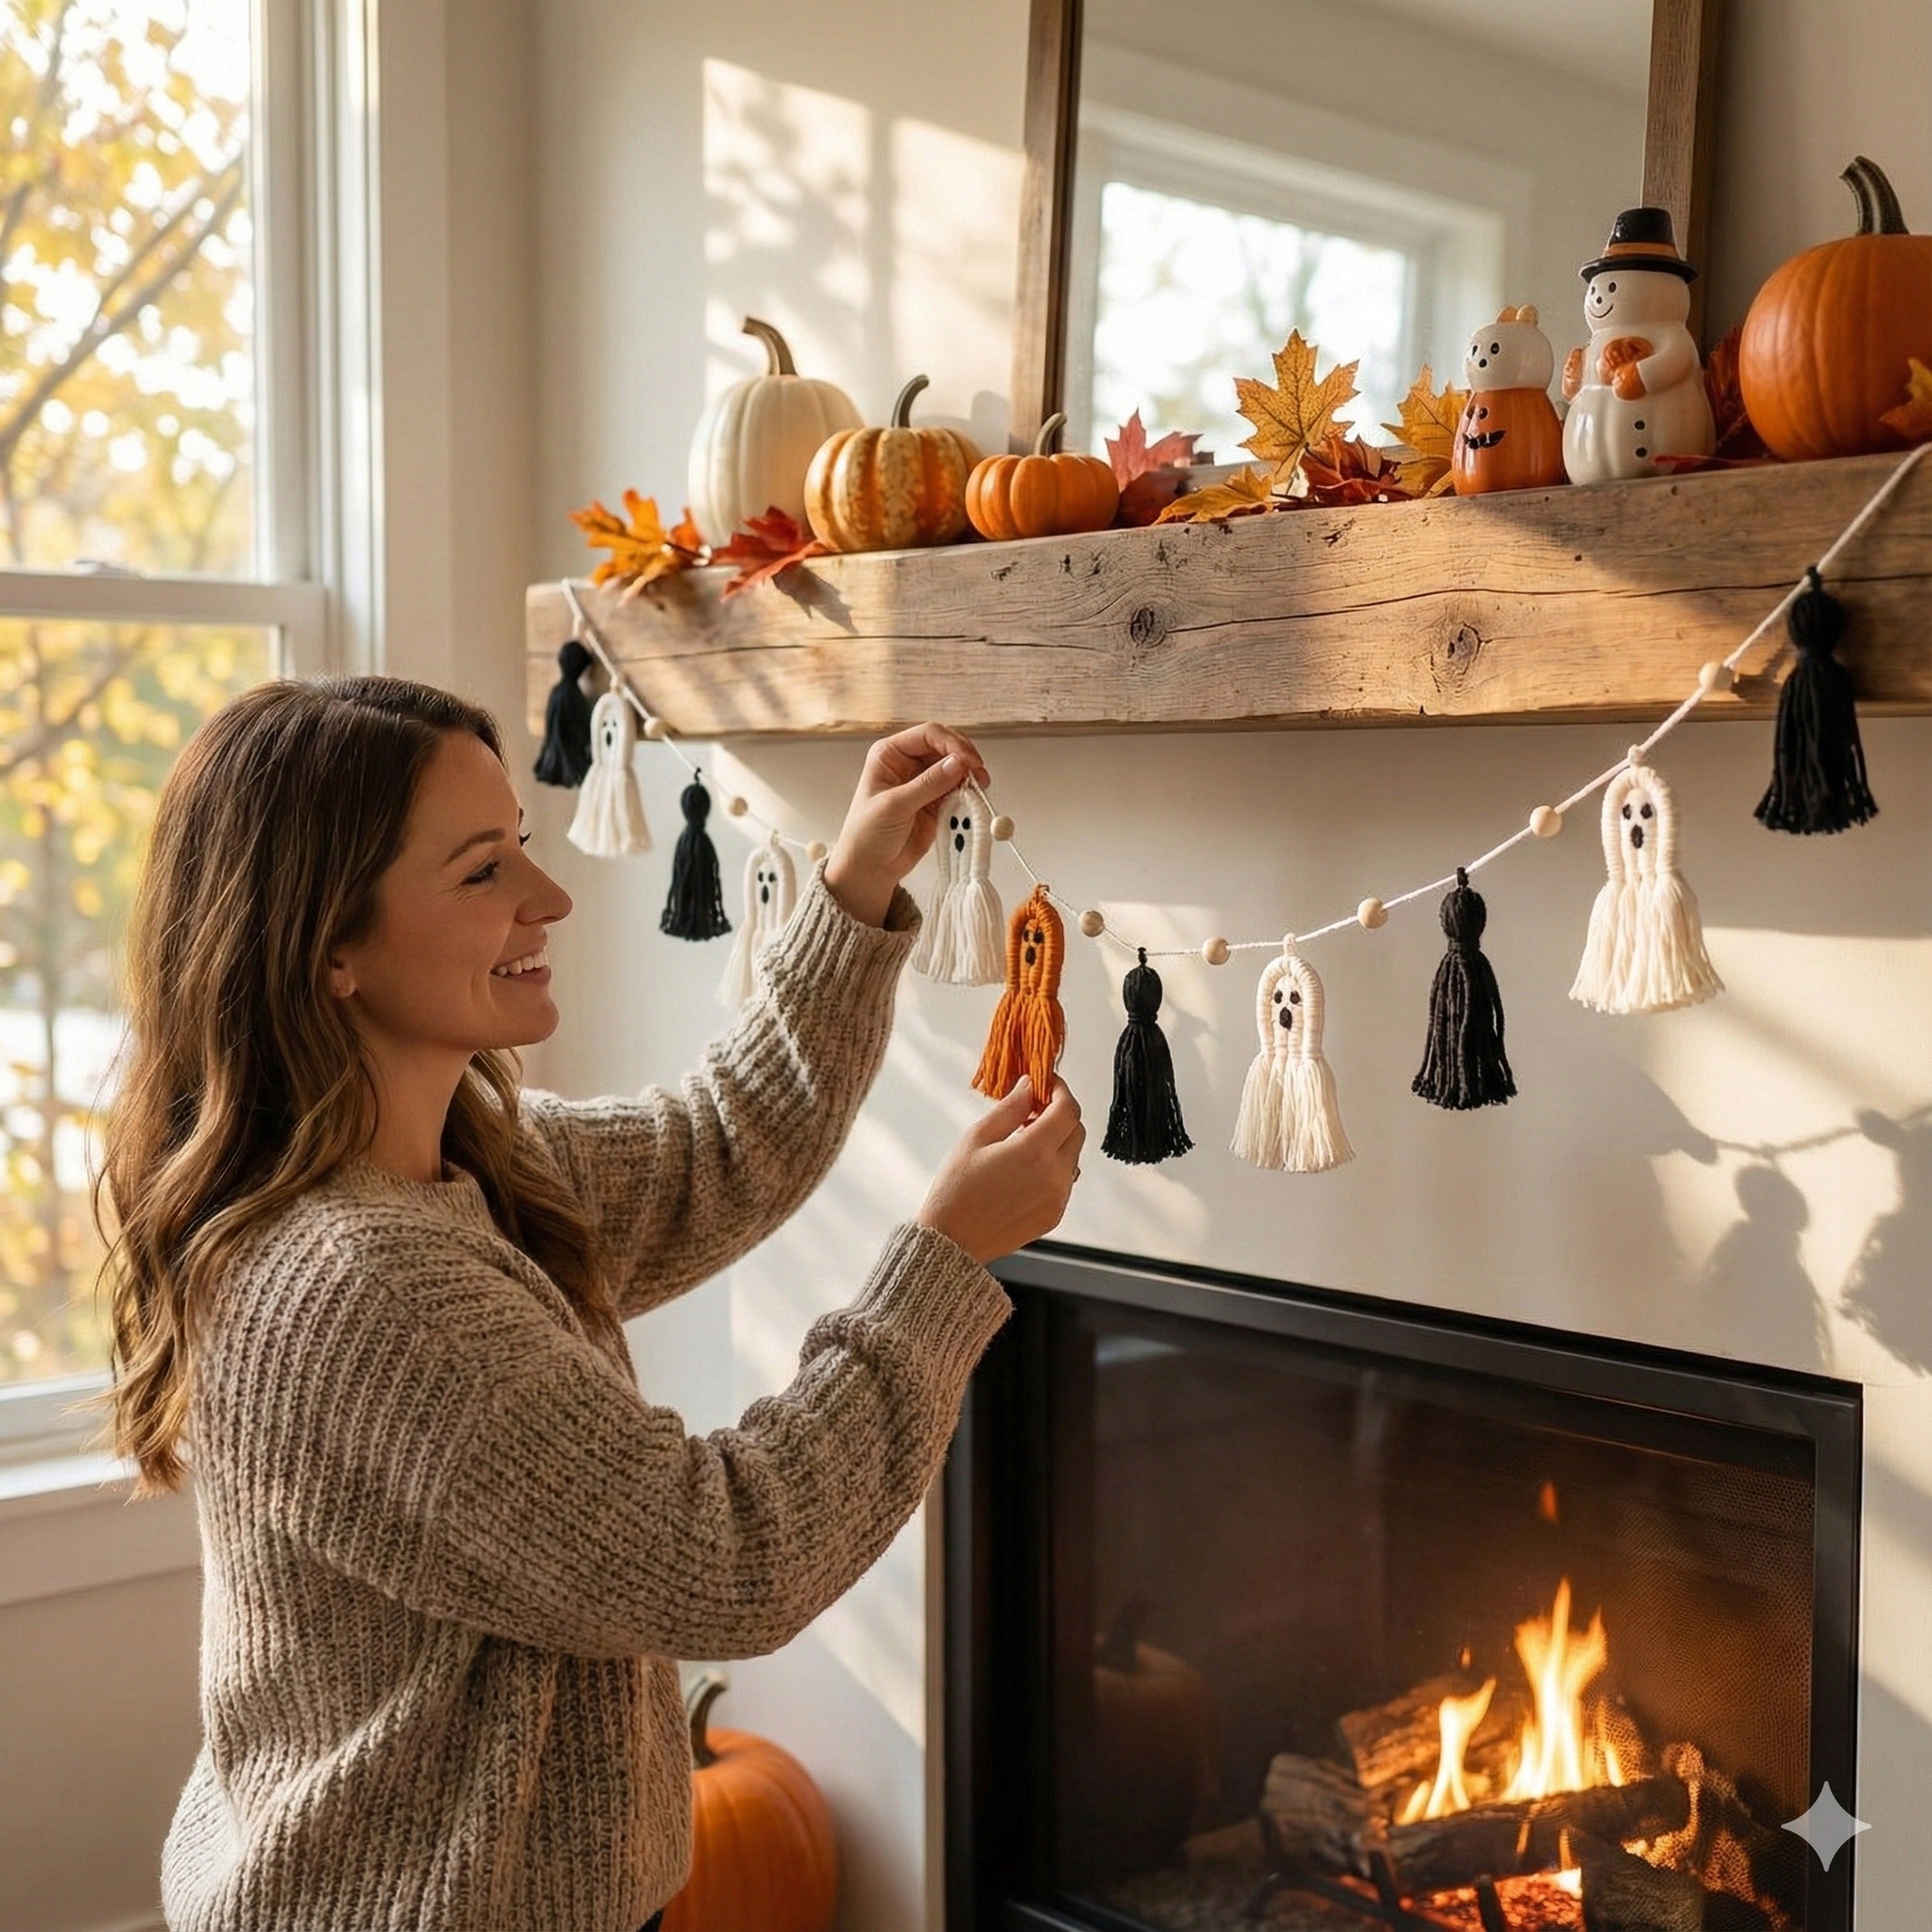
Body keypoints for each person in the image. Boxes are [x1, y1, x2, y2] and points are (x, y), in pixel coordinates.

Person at [101, 677, 1083, 1932]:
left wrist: (854, 883)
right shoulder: (360, 1284)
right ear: (329, 946)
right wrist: (948, 1259)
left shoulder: (468, 1168)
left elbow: (723, 1144)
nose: (547, 896)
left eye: (520, 839)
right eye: (481, 871)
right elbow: (727, 1558)